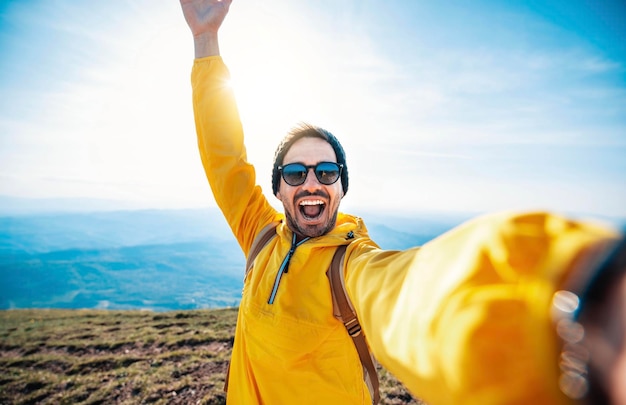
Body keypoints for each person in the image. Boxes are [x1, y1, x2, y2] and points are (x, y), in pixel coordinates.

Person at [179, 1, 626, 404]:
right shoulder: (259, 234)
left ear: (341, 188)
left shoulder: (351, 265)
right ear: (278, 189)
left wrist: (561, 286)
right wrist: (206, 41)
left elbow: (408, 292)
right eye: (295, 173)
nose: (311, 183)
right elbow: (225, 161)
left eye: (327, 172)